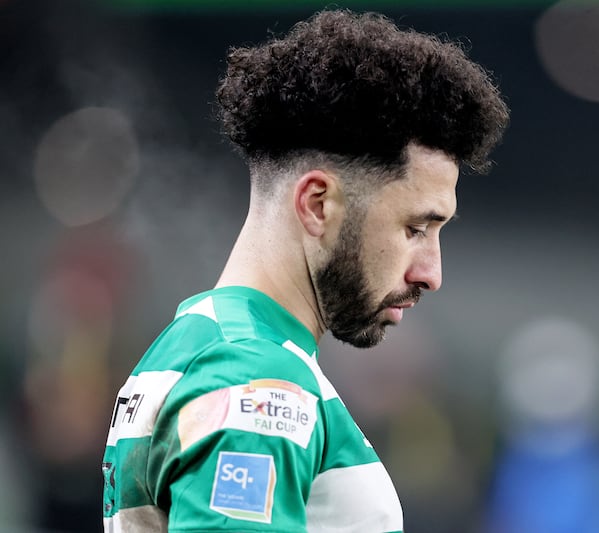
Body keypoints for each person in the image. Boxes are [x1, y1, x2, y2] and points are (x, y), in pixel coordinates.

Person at [102, 8, 508, 532]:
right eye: (415, 228)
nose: (431, 273)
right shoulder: (258, 382)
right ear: (318, 204)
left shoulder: (201, 342)